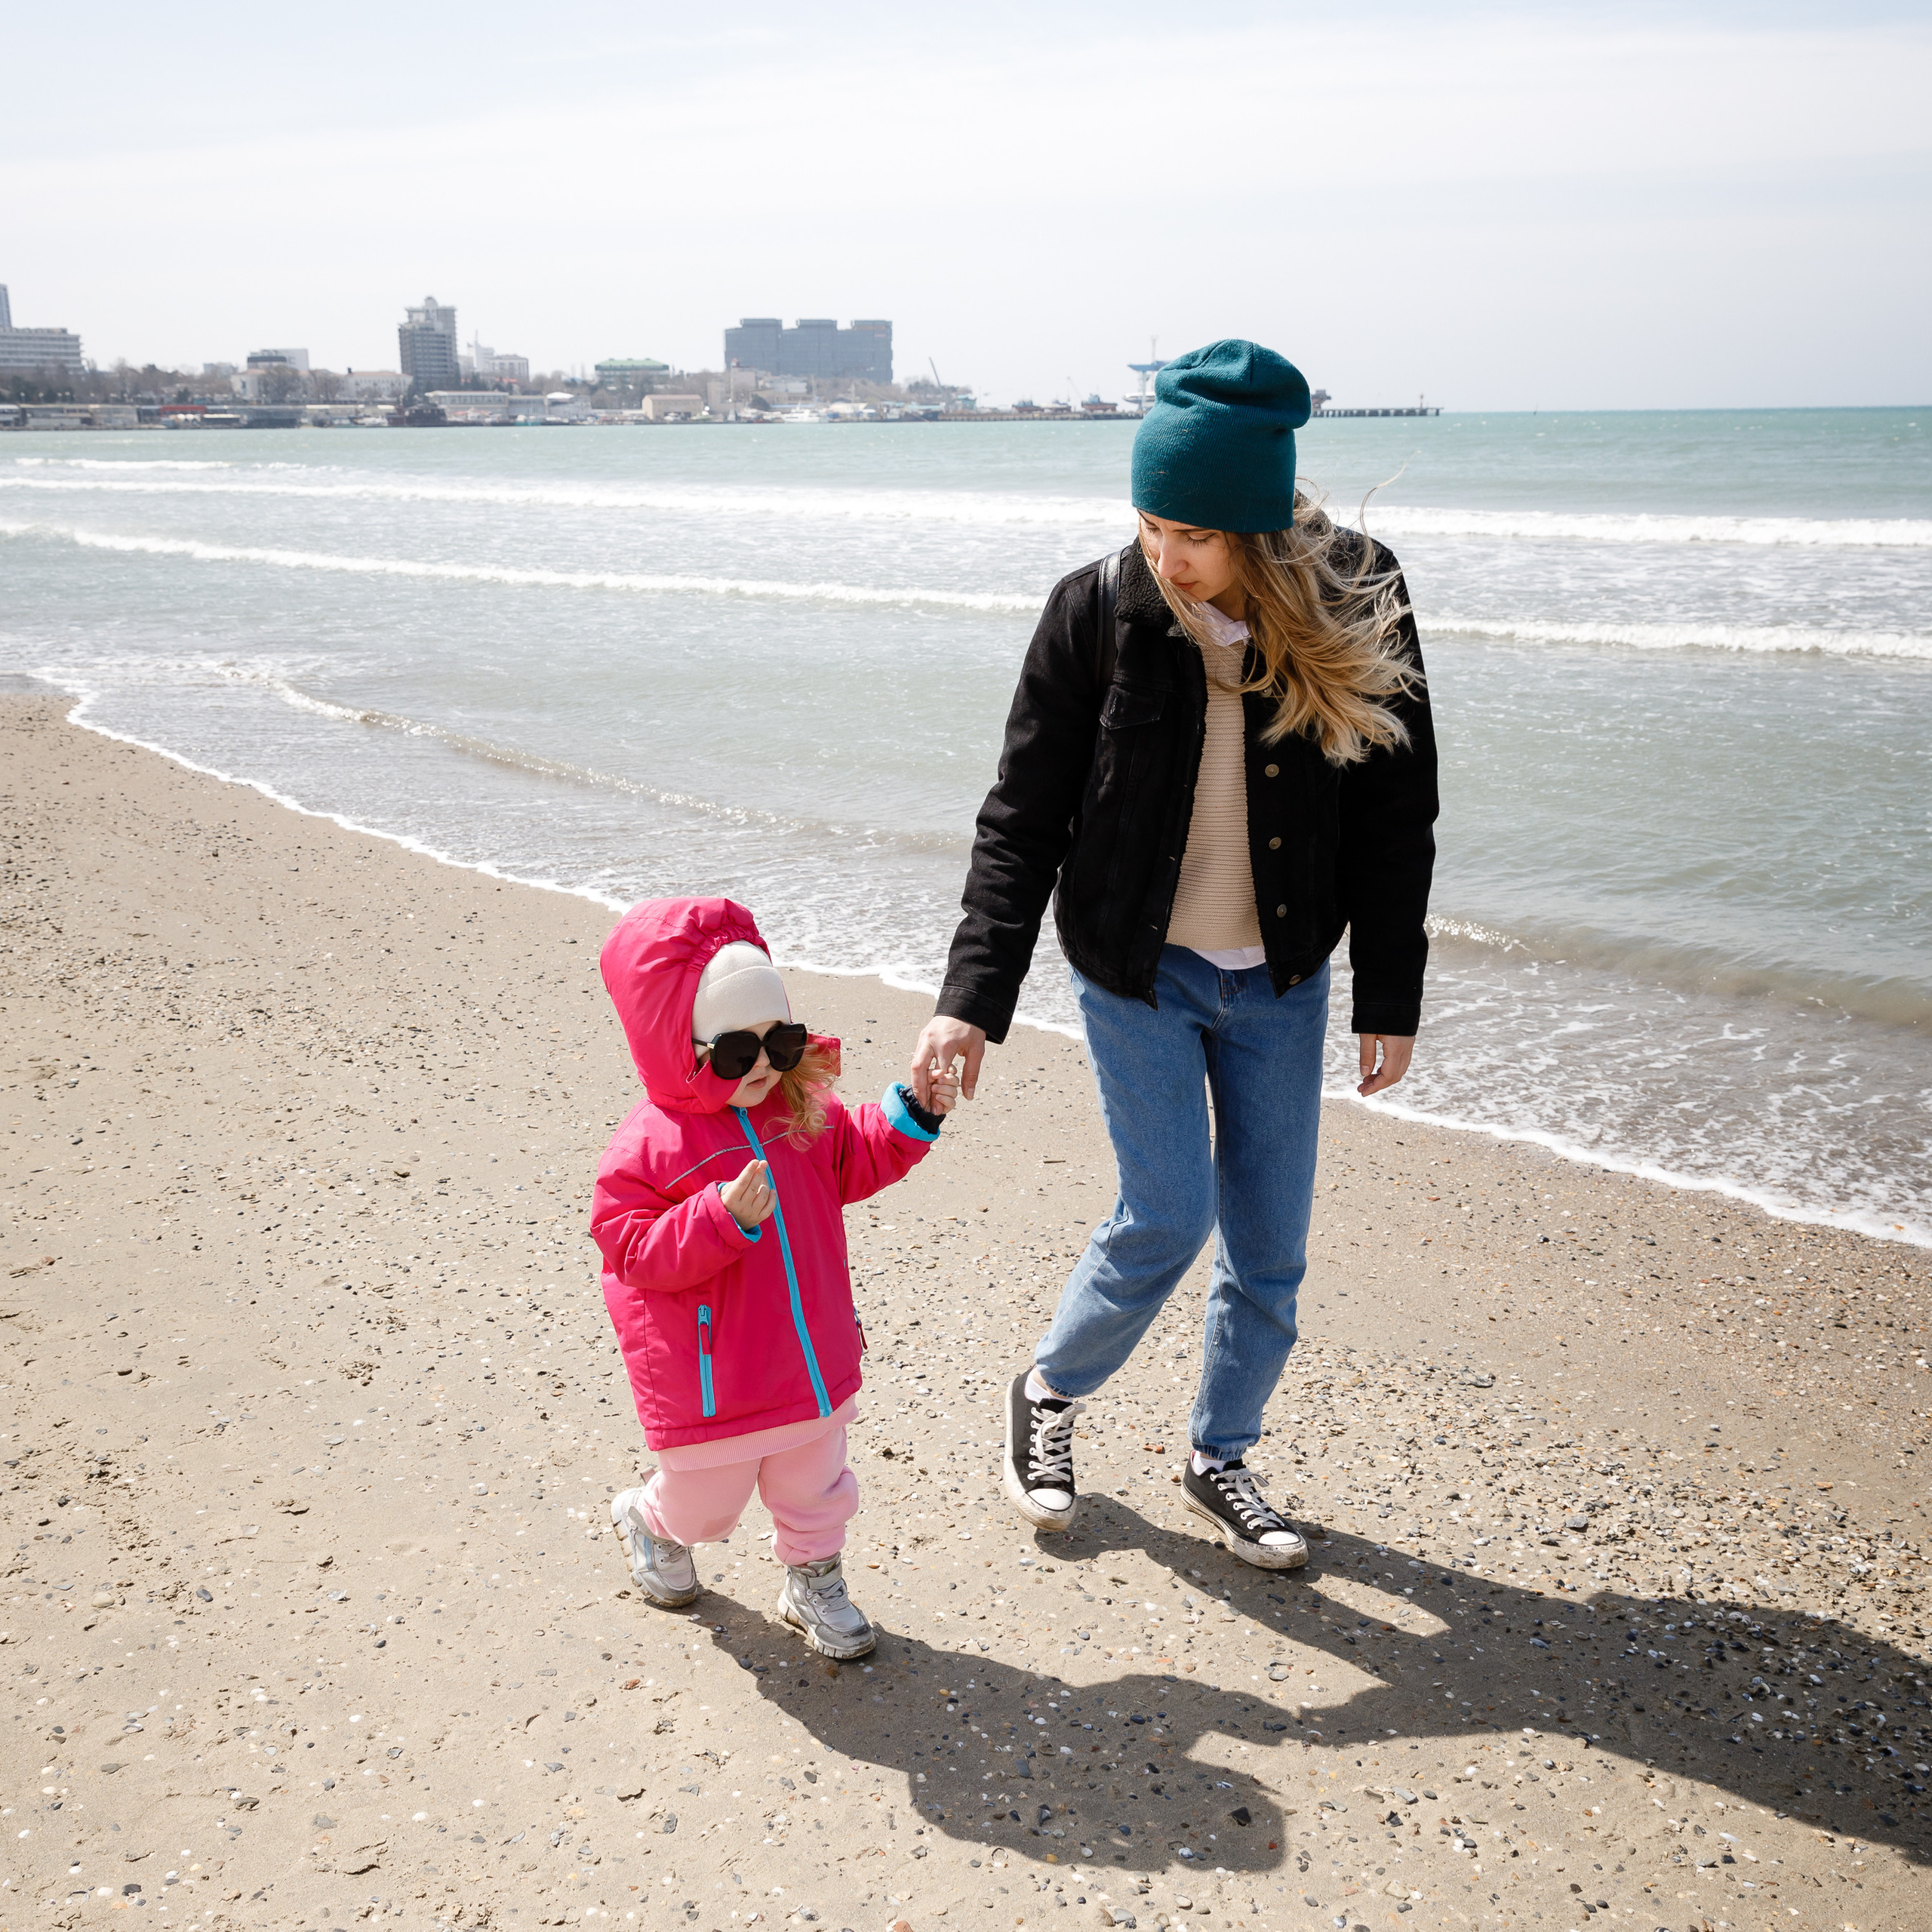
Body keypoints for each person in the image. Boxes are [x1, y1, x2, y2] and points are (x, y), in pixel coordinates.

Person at [909, 340, 1438, 1570]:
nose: (1166, 553)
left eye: (1193, 532)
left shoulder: (1359, 593)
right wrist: (967, 1006)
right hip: (1135, 972)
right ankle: (1048, 1393)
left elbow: (1398, 815)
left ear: (1259, 525)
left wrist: (1390, 992)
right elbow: (1021, 821)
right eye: (1149, 520)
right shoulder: (1095, 609)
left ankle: (1221, 1456)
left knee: (1272, 1246)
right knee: (1169, 1212)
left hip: (1283, 976)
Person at [592, 897, 956, 1657]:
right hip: (715, 1377)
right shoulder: (652, 1145)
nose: (762, 1064)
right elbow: (630, 1247)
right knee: (706, 1503)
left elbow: (855, 1153)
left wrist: (912, 1112)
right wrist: (717, 1218)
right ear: (679, 1044)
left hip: (807, 1363)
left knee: (814, 1486)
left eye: (780, 1040)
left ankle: (814, 1577)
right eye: (734, 1052)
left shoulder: (799, 1107)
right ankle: (654, 1525)